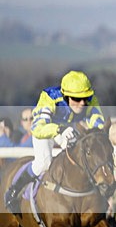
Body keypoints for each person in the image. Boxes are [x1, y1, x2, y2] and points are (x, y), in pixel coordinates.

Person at [4, 70, 105, 214]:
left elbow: (98, 123)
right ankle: (14, 190)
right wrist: (59, 130)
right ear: (65, 96)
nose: (82, 103)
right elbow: (37, 128)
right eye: (76, 99)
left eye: (85, 98)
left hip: (66, 129)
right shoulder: (49, 97)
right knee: (43, 163)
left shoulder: (90, 99)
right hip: (46, 129)